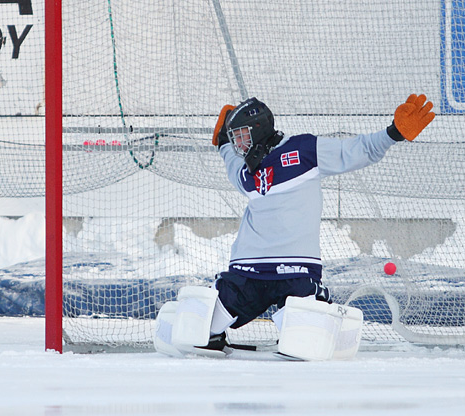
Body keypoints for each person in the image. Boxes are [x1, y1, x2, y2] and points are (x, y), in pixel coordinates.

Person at [155, 93, 435, 356]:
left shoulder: (303, 150)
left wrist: (393, 134)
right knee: (197, 333)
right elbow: (231, 161)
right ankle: (215, 333)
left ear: (258, 129)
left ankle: (307, 324)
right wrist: (224, 142)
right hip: (247, 274)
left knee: (306, 342)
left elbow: (358, 150)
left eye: (241, 137)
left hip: (296, 271)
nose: (239, 146)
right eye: (235, 139)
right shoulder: (245, 173)